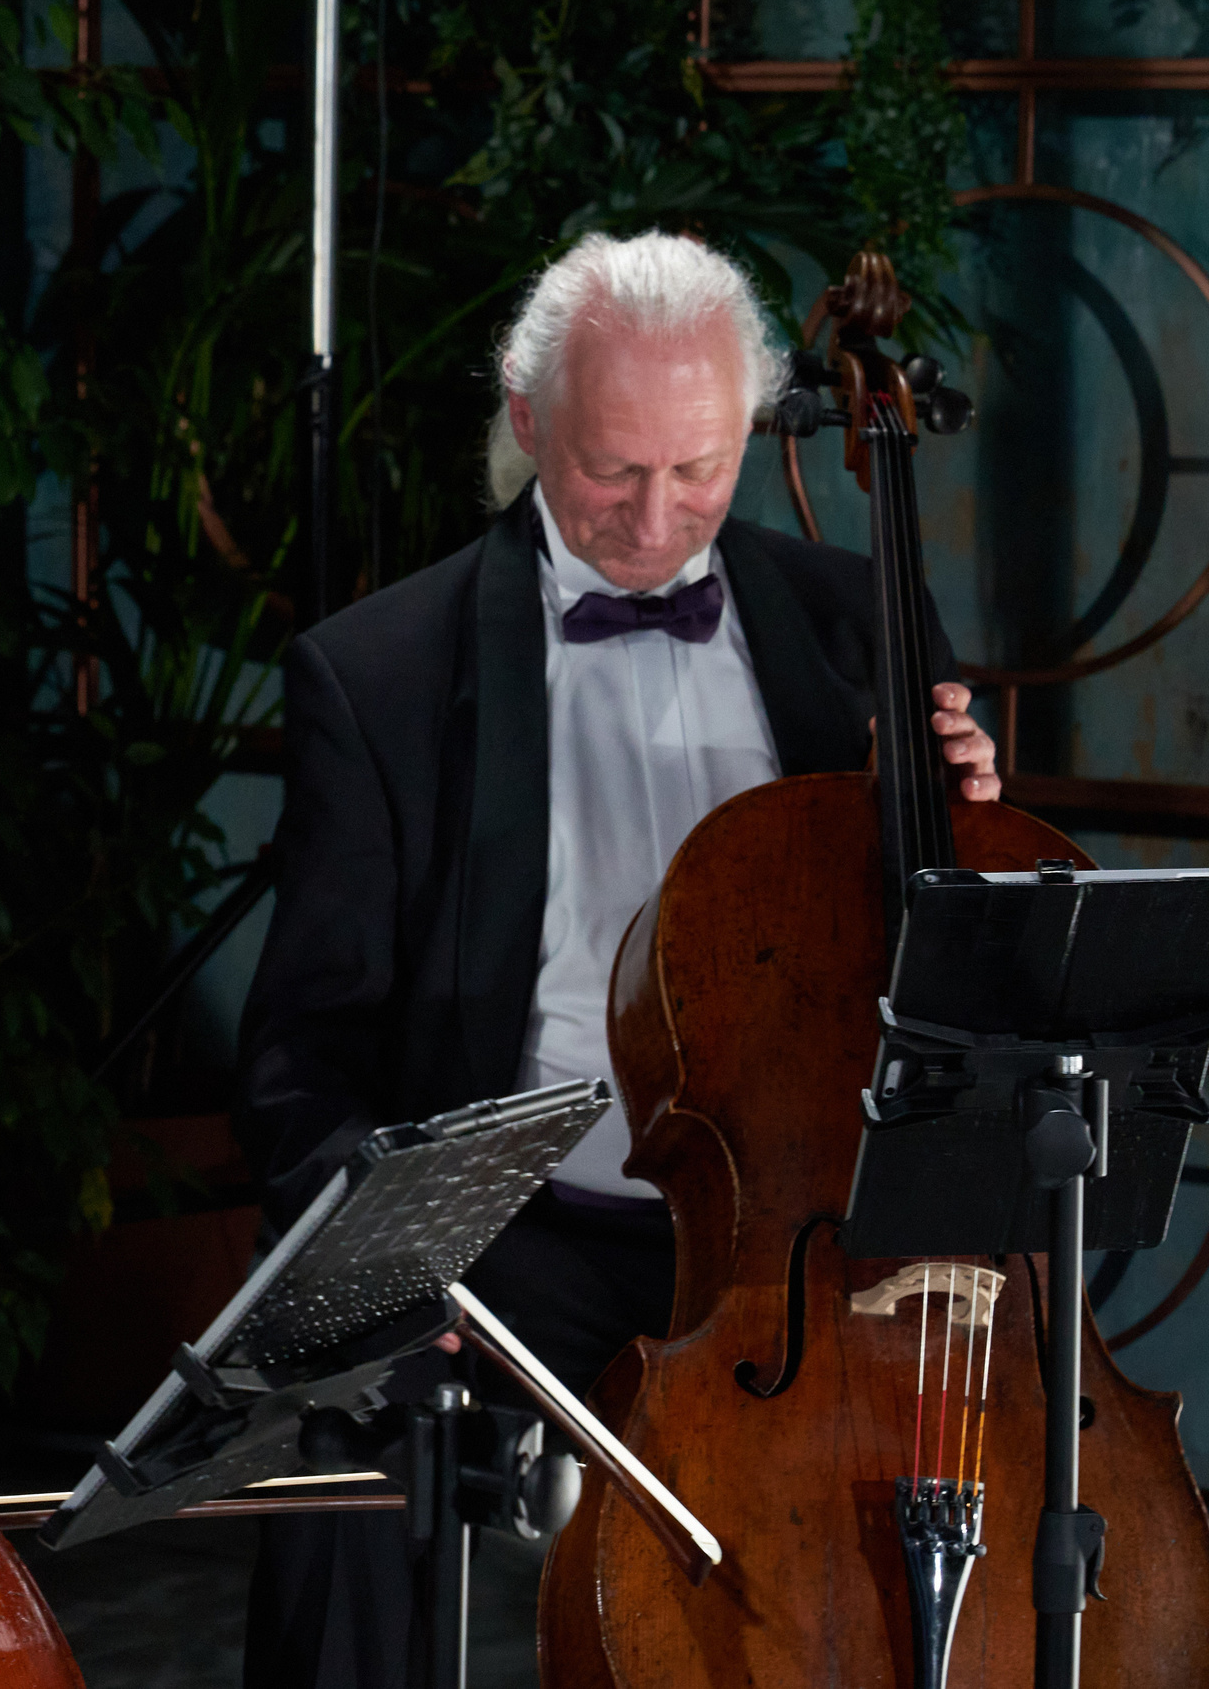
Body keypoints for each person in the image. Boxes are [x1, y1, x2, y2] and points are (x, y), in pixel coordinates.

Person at [232, 231, 1000, 1688]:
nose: (656, 520)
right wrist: (396, 1263)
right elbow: (300, 1056)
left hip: (797, 1235)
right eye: (611, 472)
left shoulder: (855, 631)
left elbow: (955, 967)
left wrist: (959, 813)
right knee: (339, 1430)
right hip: (524, 1220)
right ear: (528, 424)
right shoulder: (378, 674)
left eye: (698, 472)